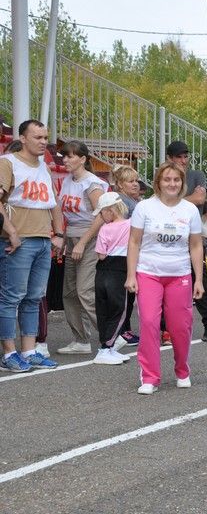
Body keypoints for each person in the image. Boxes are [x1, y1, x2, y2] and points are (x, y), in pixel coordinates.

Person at [126, 161, 205, 395]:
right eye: (167, 179)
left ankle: (182, 369)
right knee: (149, 322)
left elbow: (196, 245)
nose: (172, 184)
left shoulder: (189, 210)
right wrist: (131, 274)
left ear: (182, 183)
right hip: (148, 272)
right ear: (158, 182)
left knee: (180, 326)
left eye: (177, 180)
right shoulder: (144, 208)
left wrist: (198, 279)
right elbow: (134, 242)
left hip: (179, 274)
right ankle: (150, 376)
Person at [0, 119, 65, 372]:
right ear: (23, 138)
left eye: (45, 137)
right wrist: (12, 232)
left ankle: (29, 350)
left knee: (34, 297)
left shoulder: (44, 168)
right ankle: (9, 354)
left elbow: (54, 203)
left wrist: (58, 234)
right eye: (37, 137)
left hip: (42, 239)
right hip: (19, 241)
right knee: (11, 297)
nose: (43, 142)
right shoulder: (8, 163)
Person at [165, 140, 207, 344]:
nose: (183, 161)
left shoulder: (196, 175)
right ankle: (166, 329)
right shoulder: (165, 177)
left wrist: (174, 201)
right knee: (168, 286)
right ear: (170, 158)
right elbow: (164, 201)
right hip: (170, 241)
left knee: (200, 282)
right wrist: (182, 200)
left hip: (194, 239)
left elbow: (200, 199)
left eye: (186, 156)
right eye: (179, 157)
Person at [57, 140, 109, 355]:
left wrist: (82, 241)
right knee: (69, 293)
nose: (66, 160)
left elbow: (103, 215)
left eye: (70, 156)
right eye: (64, 156)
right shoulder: (68, 180)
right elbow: (61, 211)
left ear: (83, 159)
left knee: (84, 291)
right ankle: (81, 339)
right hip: (72, 238)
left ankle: (111, 333)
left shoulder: (92, 184)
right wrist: (63, 237)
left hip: (89, 238)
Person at [92, 192, 133, 365]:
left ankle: (106, 347)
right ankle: (106, 347)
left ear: (110, 211)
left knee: (103, 309)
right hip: (119, 270)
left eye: (101, 212)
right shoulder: (130, 225)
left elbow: (101, 255)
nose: (101, 216)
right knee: (119, 310)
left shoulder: (104, 229)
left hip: (102, 271)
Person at [109, 164, 143, 346]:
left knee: (128, 296)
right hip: (123, 253)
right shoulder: (122, 203)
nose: (135, 184)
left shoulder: (132, 201)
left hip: (130, 251)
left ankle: (125, 329)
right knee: (125, 295)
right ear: (120, 184)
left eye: (136, 180)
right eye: (131, 181)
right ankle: (122, 331)